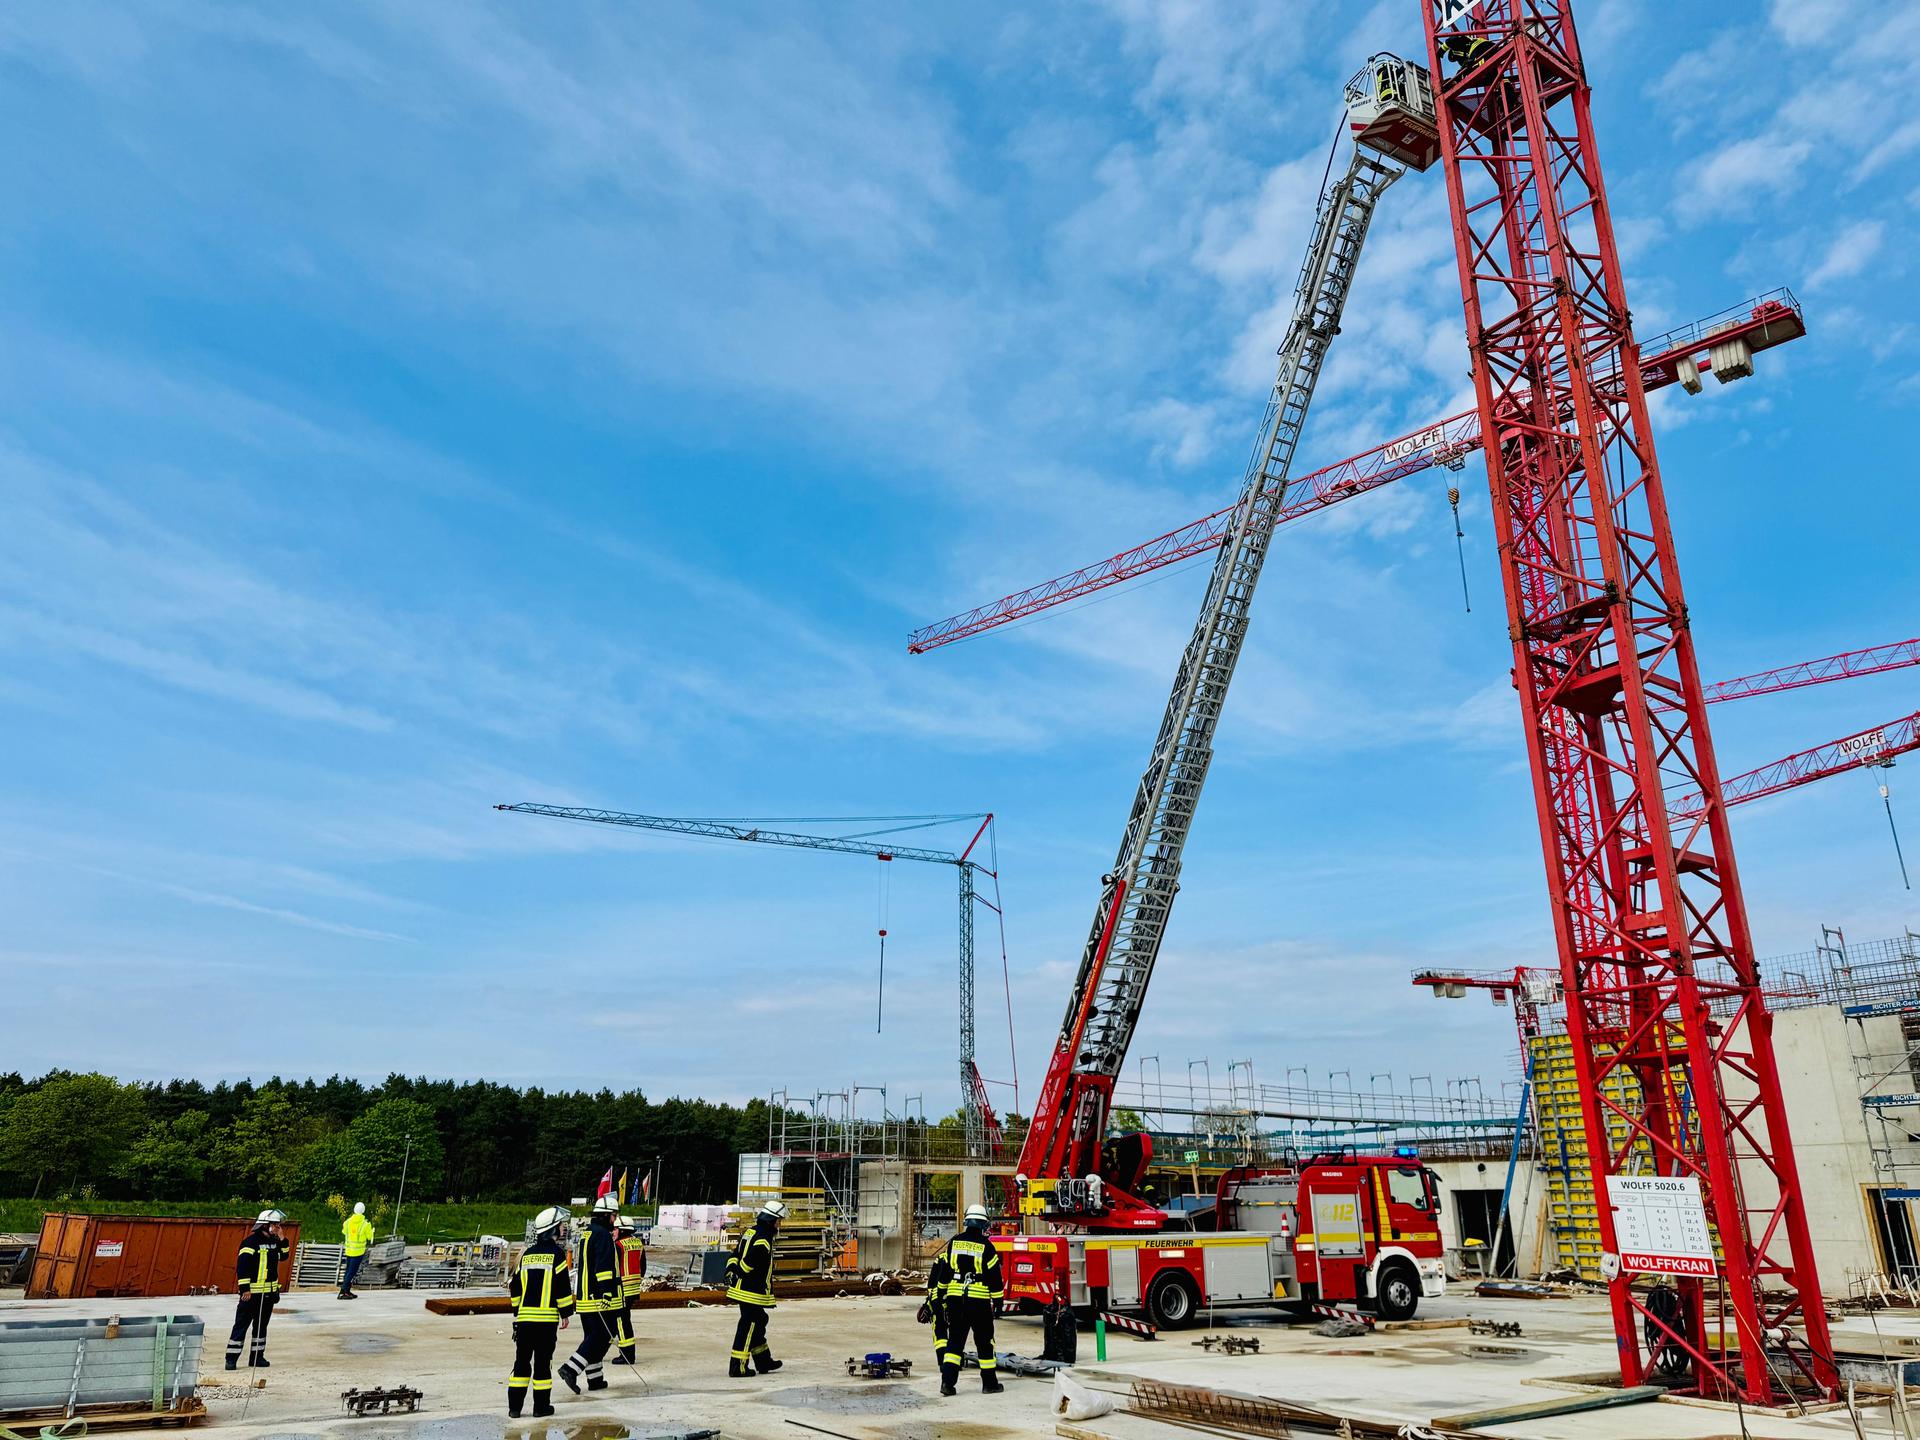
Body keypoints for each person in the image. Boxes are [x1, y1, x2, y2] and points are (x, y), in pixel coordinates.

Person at [930, 1203, 1003, 1396]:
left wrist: (940, 1296)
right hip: (978, 1302)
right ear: (984, 1224)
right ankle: (989, 1384)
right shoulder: (987, 1246)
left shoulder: (954, 1242)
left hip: (955, 1300)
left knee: (954, 1341)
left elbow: (945, 1272)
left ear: (966, 1221)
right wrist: (999, 1302)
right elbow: (995, 1278)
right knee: (985, 1342)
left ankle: (947, 1384)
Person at [508, 1207, 575, 1417]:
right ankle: (540, 1408)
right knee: (543, 1365)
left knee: (521, 1363)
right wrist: (566, 1312)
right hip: (546, 1322)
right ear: (553, 1229)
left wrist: (517, 1308)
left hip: (525, 1321)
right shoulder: (557, 1255)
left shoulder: (527, 1255)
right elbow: (562, 1287)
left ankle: (515, 1408)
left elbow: (515, 1286)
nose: (564, 1228)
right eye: (561, 1225)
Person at [557, 1195, 623, 1393]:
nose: (614, 1220)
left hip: (585, 1297)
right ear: (605, 1216)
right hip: (599, 1298)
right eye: (613, 1216)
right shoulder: (602, 1235)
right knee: (603, 1335)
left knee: (592, 1337)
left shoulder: (588, 1233)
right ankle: (571, 1368)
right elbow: (603, 1268)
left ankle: (595, 1379)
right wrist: (608, 1294)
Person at [724, 1199, 785, 1378]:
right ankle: (738, 1367)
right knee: (749, 1326)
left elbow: (735, 1254)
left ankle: (763, 1360)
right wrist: (740, 1272)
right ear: (771, 1220)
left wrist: (731, 1269)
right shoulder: (764, 1240)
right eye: (778, 1220)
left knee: (759, 1320)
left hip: (745, 1289)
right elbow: (750, 1262)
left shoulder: (750, 1232)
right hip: (751, 1291)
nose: (779, 1224)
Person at [226, 1209, 289, 1371]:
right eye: (274, 1225)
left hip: (268, 1295)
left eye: (278, 1225)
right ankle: (231, 1359)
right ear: (264, 1225)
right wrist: (244, 1289)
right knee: (241, 1326)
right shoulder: (250, 1243)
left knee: (261, 1327)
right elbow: (243, 1267)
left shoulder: (275, 1243)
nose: (277, 1227)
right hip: (251, 1295)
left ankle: (257, 1357)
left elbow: (284, 1256)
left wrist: (283, 1239)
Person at [612, 1215, 646, 1366]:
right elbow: (643, 1266)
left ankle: (626, 1355)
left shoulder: (618, 1245)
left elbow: (613, 1267)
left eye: (615, 1229)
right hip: (633, 1289)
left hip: (622, 1289)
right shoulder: (638, 1243)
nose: (613, 1231)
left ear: (621, 1229)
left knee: (621, 1322)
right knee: (624, 1320)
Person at [339, 1201, 374, 1299]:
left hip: (349, 1250)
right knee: (352, 1272)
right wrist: (372, 1232)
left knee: (348, 1271)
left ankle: (346, 1291)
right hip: (358, 1252)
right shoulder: (365, 1224)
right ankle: (343, 1291)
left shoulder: (348, 1222)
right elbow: (369, 1237)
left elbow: (344, 1231)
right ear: (363, 1211)